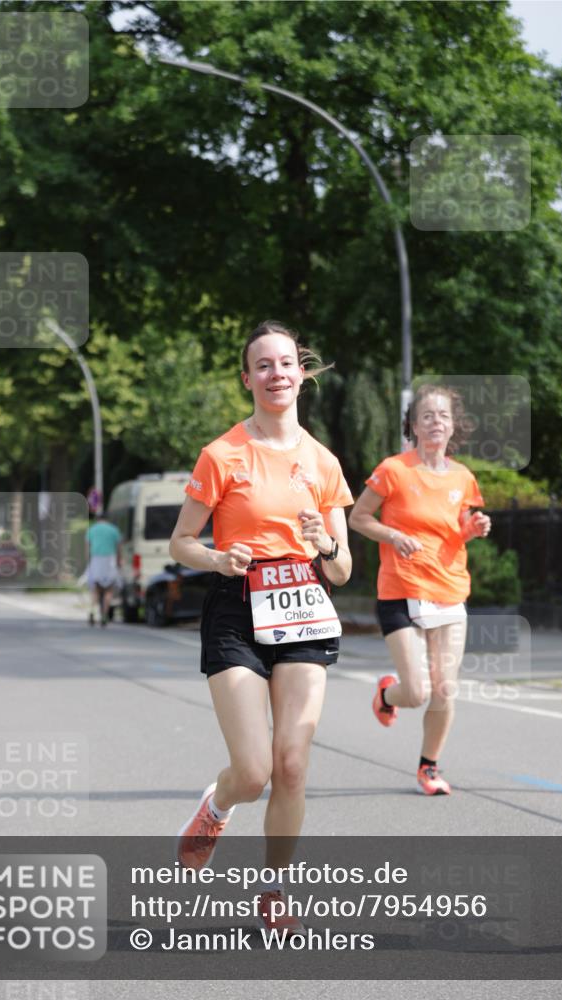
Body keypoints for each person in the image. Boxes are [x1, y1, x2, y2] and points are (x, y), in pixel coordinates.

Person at [169, 319, 353, 933]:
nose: (277, 375)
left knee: (293, 764)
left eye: (286, 364)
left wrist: (324, 541)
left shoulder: (323, 462)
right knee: (254, 771)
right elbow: (180, 542)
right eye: (263, 366)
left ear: (303, 374)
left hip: (303, 604)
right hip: (236, 608)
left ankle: (274, 889)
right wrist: (219, 558)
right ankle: (216, 807)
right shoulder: (222, 455)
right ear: (248, 379)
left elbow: (345, 569)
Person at [348, 384, 491, 796]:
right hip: (401, 591)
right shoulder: (394, 469)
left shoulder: (463, 476)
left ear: (453, 426)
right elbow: (359, 518)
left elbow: (456, 528)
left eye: (443, 416)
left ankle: (429, 767)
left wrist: (473, 528)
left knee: (445, 688)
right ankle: (388, 694)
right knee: (416, 692)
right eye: (427, 416)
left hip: (449, 589)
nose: (436, 423)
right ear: (413, 425)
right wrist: (392, 535)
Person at [85, 510, 122, 627]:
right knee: (108, 590)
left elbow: (87, 547)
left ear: (97, 519)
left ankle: (92, 611)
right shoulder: (114, 530)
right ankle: (104, 615)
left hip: (96, 560)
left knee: (95, 589)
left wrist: (88, 562)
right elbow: (118, 548)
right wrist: (118, 561)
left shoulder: (92, 529)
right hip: (109, 560)